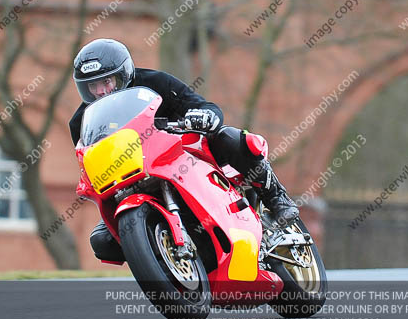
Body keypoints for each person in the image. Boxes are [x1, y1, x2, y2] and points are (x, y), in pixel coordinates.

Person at [69, 38, 299, 263]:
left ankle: (276, 197)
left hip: (181, 153)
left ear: (124, 74)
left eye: (106, 81)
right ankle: (157, 253)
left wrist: (204, 117)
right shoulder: (81, 122)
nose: (101, 91)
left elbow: (205, 106)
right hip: (128, 179)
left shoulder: (155, 82)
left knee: (230, 138)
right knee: (102, 241)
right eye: (93, 86)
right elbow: (89, 161)